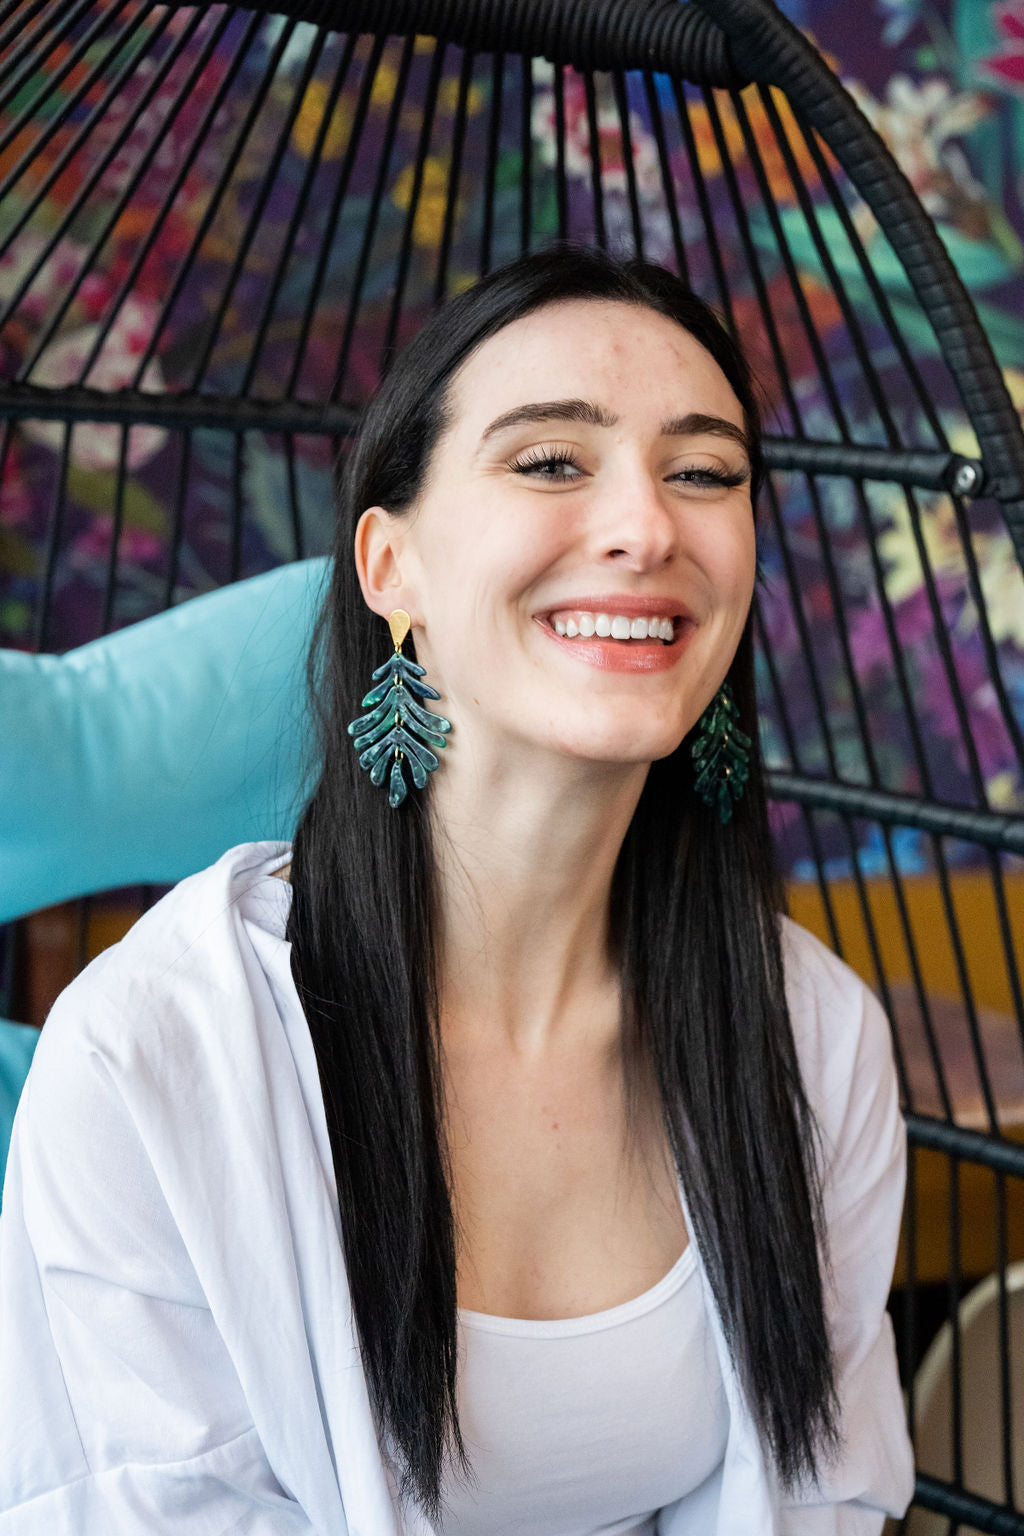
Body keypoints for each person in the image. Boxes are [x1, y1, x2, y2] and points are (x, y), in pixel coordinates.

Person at [0, 244, 914, 1534]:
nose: (647, 527)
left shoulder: (816, 1038)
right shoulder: (155, 1052)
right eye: (550, 461)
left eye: (705, 473)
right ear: (391, 568)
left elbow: (830, 1495)